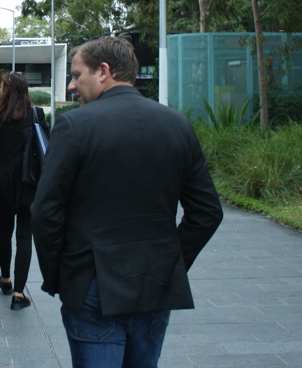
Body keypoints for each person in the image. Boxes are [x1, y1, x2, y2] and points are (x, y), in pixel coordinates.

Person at [31, 37, 223, 368]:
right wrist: (171, 262)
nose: (73, 86)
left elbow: (45, 211)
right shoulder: (177, 125)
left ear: (103, 72)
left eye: (77, 75)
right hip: (155, 284)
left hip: (93, 284)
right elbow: (207, 212)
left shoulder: (75, 125)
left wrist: (60, 277)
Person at [0, 71, 48, 311]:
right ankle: (19, 293)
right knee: (25, 236)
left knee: (4, 230)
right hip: (29, 183)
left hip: (1, 183)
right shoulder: (35, 115)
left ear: (5, 91)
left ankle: (5, 279)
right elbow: (47, 149)